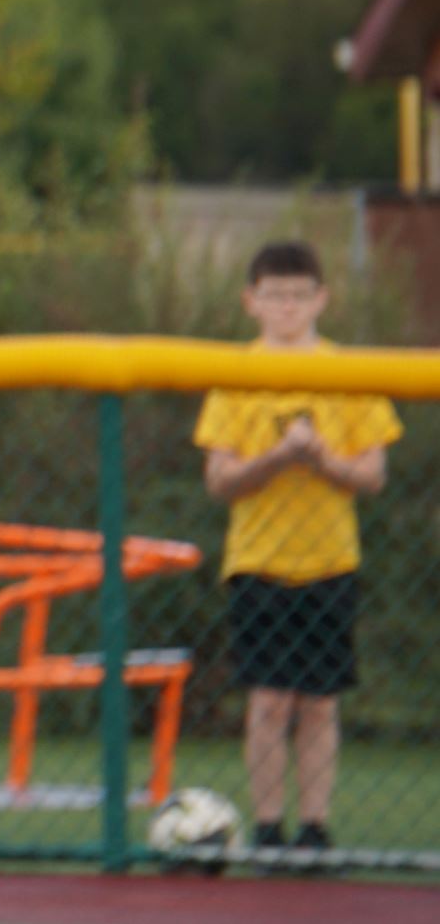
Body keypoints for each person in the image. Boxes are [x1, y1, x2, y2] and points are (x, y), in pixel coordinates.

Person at [193, 240, 401, 858]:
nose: (288, 305)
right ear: (251, 301)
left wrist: (323, 459)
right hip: (258, 560)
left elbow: (373, 474)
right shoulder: (237, 375)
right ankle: (266, 826)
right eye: (275, 294)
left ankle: (314, 828)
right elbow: (220, 479)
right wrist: (280, 456)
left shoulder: (349, 373)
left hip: (331, 559)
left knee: (319, 702)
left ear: (322, 299)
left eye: (299, 294)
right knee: (268, 699)